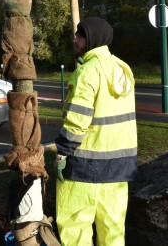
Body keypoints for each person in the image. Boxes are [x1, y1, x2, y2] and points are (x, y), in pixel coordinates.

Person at [54, 17, 137, 246]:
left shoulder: (85, 74)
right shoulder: (123, 70)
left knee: (75, 228)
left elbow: (76, 123)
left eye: (79, 36)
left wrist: (62, 154)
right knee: (113, 231)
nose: (75, 40)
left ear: (91, 39)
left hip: (84, 169)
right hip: (119, 170)